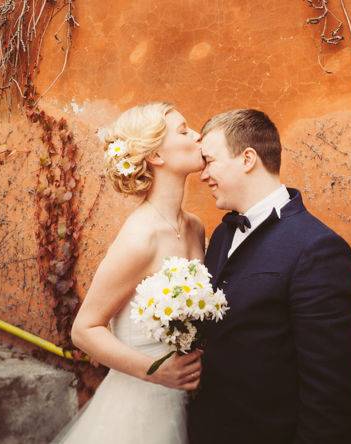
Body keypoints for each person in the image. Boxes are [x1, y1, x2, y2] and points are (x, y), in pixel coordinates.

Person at [189, 109, 351, 444]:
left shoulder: (318, 249)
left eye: (209, 161)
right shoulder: (222, 236)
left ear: (248, 158)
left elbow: (329, 392)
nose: (203, 175)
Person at [58, 102, 205, 444]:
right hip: (140, 409)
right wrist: (156, 372)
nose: (198, 136)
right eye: (184, 131)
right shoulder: (140, 236)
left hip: (188, 402)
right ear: (155, 156)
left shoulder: (195, 227)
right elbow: (84, 330)